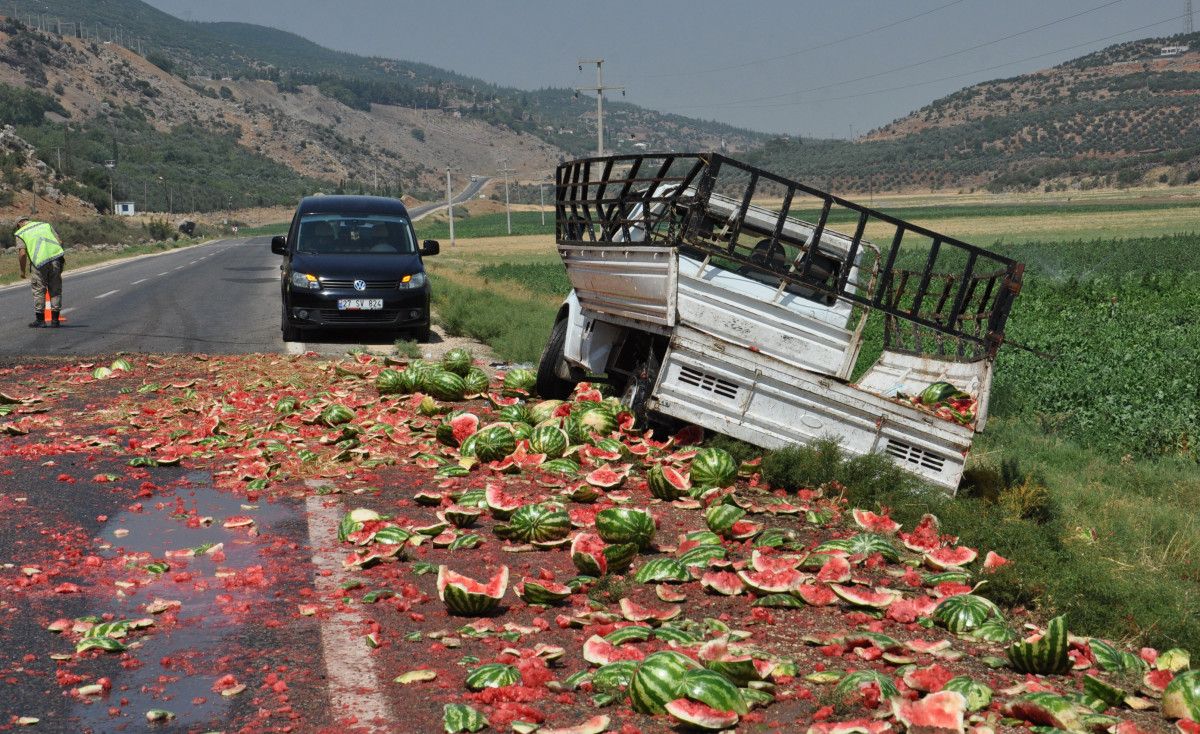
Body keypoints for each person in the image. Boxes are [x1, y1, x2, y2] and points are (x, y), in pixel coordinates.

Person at [14, 216, 66, 328]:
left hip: (39, 264)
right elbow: (60, 241)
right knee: (55, 290)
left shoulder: (21, 232)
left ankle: (40, 320)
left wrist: (22, 271)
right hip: (55, 260)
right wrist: (60, 259)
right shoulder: (45, 225)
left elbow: (22, 254)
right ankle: (55, 320)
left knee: (39, 290)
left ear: (19, 224)